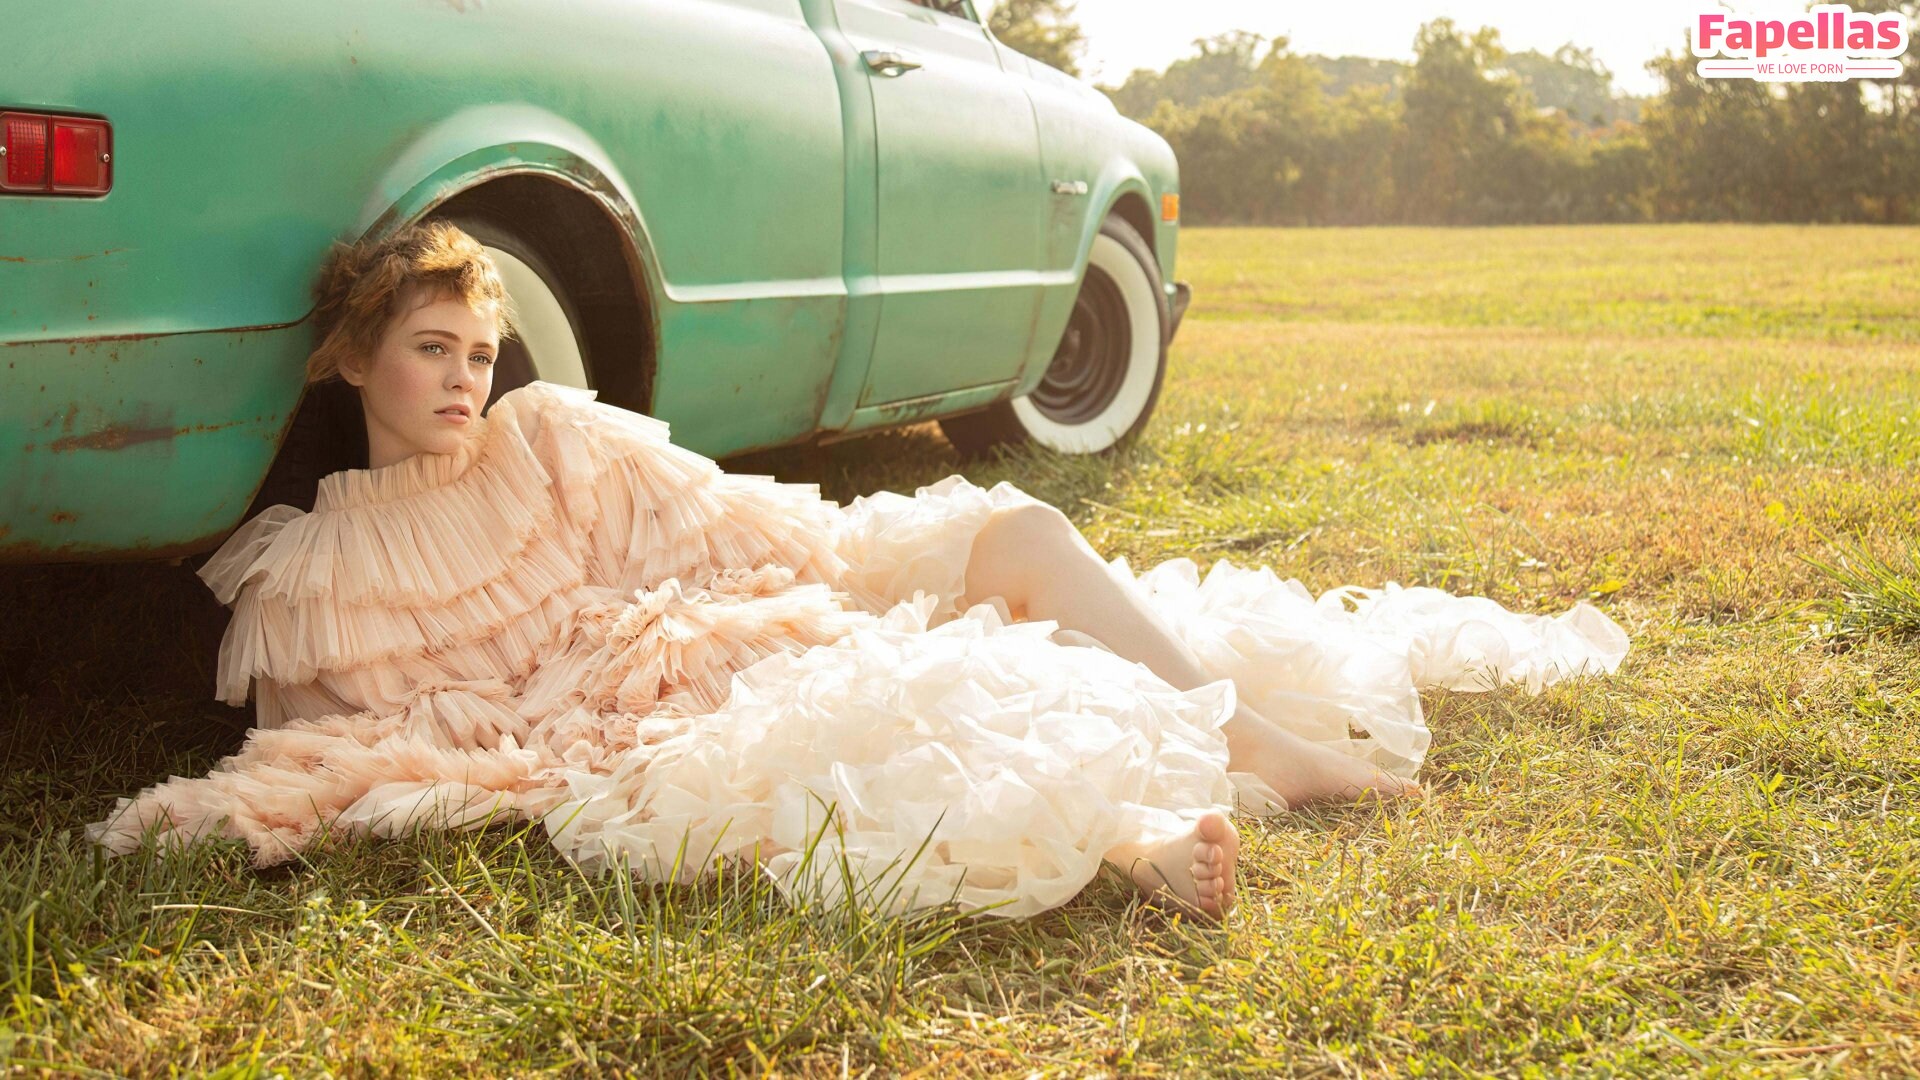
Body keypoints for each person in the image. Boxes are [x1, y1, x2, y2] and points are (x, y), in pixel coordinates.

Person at [85, 221, 1630, 922]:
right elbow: (338, 736)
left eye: (478, 352)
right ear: (353, 359)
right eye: (431, 350)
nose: (464, 379)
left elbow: (723, 521)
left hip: (710, 603)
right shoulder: (312, 560)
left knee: (1010, 540)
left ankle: (1251, 738)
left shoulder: (549, 433)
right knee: (831, 710)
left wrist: (860, 563)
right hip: (601, 708)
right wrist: (274, 802)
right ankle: (1134, 835)